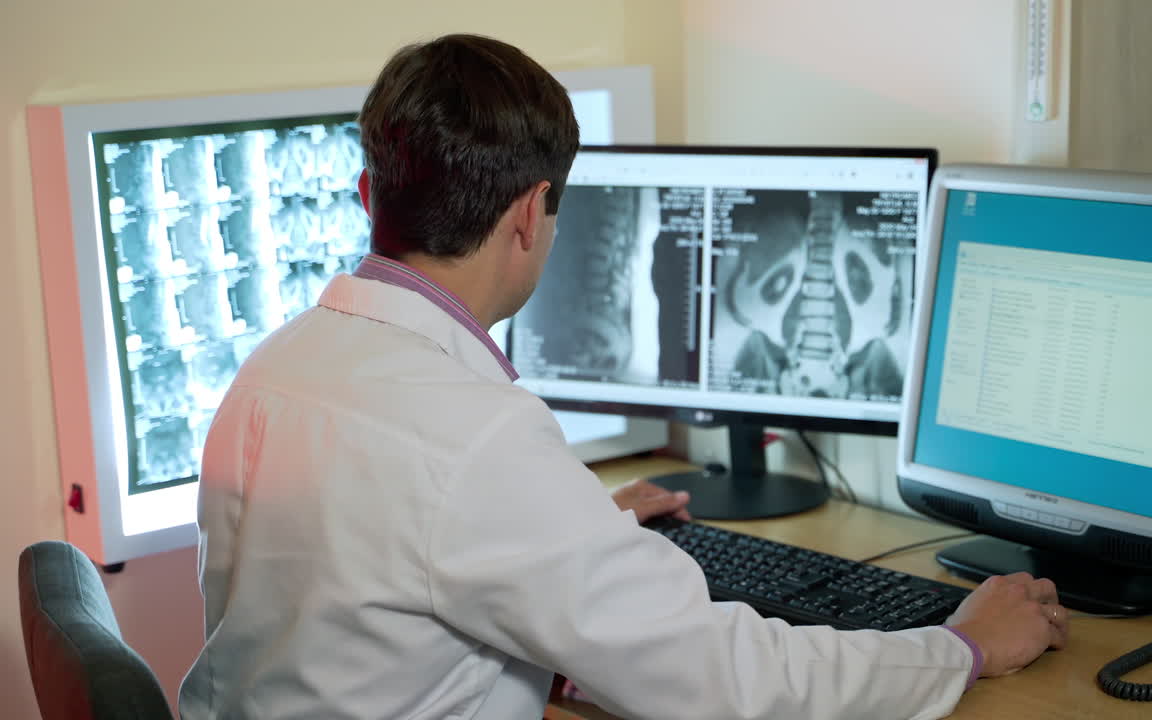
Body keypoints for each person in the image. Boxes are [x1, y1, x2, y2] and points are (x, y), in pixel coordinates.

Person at [178, 33, 1068, 720]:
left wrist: (564, 533)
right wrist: (962, 650)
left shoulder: (271, 374)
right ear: (532, 215)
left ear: (370, 196)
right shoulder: (473, 436)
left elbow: (368, 562)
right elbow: (722, 680)